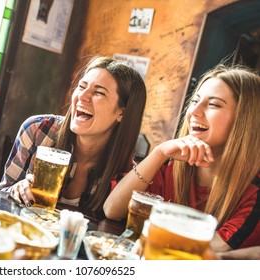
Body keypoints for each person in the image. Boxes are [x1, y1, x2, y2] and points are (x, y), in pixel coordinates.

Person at [104, 64, 260, 254]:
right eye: (194, 101)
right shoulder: (173, 164)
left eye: (213, 104)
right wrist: (159, 153)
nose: (194, 112)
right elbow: (112, 209)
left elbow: (202, 252)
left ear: (244, 121)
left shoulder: (254, 190)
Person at [0, 56, 147, 217]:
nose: (83, 96)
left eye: (99, 92)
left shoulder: (126, 174)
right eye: (81, 87)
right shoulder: (37, 130)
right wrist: (15, 190)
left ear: (122, 113)